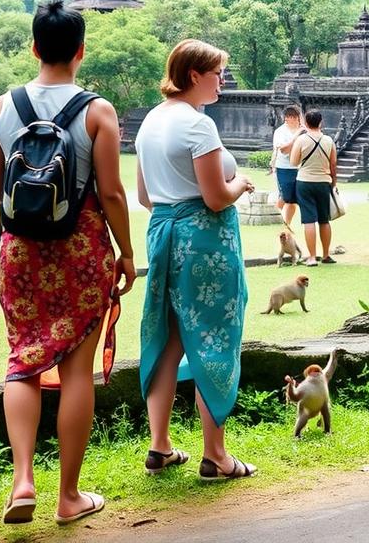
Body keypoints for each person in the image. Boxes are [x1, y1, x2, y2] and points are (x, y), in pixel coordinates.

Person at [0, 0, 135, 525]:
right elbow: (112, 192)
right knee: (75, 373)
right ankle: (68, 497)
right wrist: (127, 252)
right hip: (83, 249)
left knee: (21, 361)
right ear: (80, 50)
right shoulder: (98, 111)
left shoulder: (3, 107)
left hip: (20, 252)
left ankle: (22, 480)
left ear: (33, 47)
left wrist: (10, 233)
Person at [135, 39, 257, 482]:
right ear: (194, 76)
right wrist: (240, 183)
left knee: (168, 337)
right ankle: (216, 455)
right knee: (213, 337)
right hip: (204, 241)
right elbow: (214, 196)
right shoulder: (197, 125)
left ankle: (160, 445)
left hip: (163, 233)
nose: (222, 80)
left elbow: (145, 196)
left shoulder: (150, 121)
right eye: (217, 73)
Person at [290, 110, 337, 267]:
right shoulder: (328, 140)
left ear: (305, 122)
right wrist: (334, 181)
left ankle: (311, 257)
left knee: (309, 219)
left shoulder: (301, 140)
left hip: (304, 182)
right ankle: (326, 255)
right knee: (324, 220)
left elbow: (293, 161)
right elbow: (333, 164)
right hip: (324, 182)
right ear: (320, 122)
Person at [270, 105, 304, 227]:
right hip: (284, 168)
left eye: (295, 116)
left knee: (293, 199)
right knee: (285, 197)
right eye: (288, 116)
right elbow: (284, 150)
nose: (289, 119)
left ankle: (286, 224)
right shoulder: (280, 132)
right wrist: (296, 137)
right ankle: (274, 217)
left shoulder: (303, 130)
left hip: (300, 168)